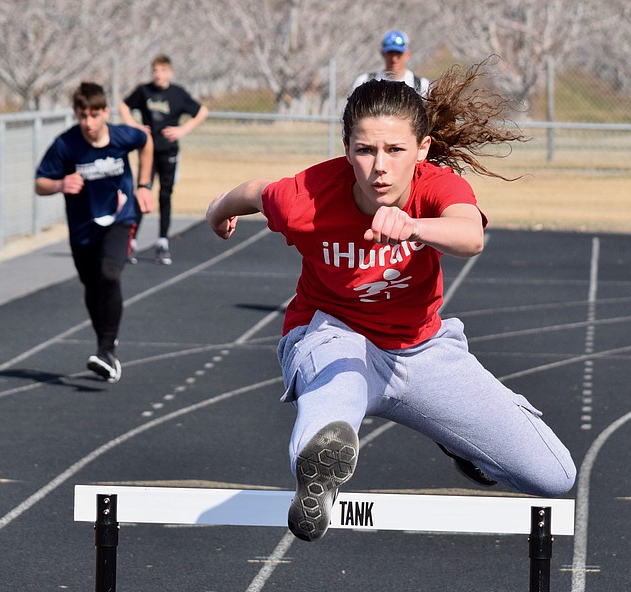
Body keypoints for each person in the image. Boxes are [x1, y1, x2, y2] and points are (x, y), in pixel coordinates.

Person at [206, 66, 576, 542]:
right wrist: (219, 210)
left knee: (553, 475)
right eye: (365, 150)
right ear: (347, 151)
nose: (380, 166)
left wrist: (415, 225)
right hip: (333, 334)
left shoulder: (436, 186)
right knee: (333, 398)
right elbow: (255, 192)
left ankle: (462, 444)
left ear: (421, 151)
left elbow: (470, 234)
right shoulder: (307, 198)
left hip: (421, 351)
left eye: (395, 150)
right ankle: (317, 479)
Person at [36, 82, 156, 383]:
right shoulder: (66, 144)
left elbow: (146, 140)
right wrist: (61, 184)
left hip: (120, 218)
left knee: (110, 274)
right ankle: (105, 342)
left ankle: (106, 352)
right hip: (82, 229)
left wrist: (143, 185)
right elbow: (40, 182)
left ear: (106, 112)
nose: (88, 123)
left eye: (94, 115)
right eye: (82, 116)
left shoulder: (121, 136)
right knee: (91, 285)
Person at [119, 54, 208, 265]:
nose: (158, 75)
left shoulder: (177, 94)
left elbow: (202, 111)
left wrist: (183, 130)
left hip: (168, 151)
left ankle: (162, 242)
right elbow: (124, 106)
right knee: (142, 194)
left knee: (165, 195)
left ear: (170, 72)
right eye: (155, 71)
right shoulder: (144, 91)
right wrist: (134, 125)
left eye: (162, 70)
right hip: (147, 151)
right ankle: (131, 242)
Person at [350, 30, 429, 97]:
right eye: (390, 53)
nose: (394, 59)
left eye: (398, 53)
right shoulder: (364, 82)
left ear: (407, 54)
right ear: (383, 54)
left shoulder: (421, 86)